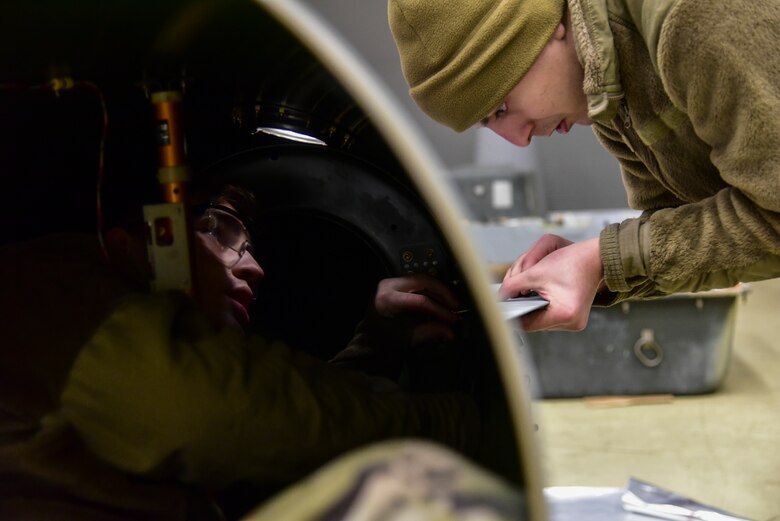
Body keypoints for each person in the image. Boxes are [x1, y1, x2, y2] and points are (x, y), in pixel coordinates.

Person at [0, 181, 515, 520]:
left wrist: (378, 341)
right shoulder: (44, 286)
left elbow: (271, 433)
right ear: (135, 240)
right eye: (219, 233)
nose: (254, 268)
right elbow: (216, 410)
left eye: (250, 249)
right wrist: (465, 424)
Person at [387, 0, 780, 331]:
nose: (520, 138)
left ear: (540, 27)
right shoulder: (608, 96)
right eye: (489, 123)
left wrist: (602, 258)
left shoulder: (689, 18)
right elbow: (689, 227)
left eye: (502, 108)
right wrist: (596, 266)